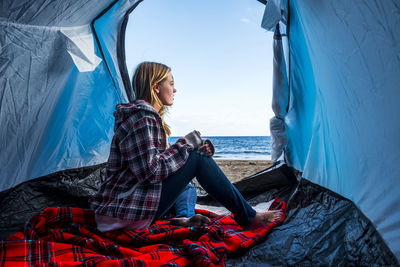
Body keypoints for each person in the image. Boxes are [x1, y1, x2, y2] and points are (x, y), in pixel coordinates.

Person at [89, 61, 282, 231]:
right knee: (197, 159)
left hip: (121, 208)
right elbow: (151, 172)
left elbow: (163, 160)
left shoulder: (144, 117)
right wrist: (188, 146)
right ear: (156, 87)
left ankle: (184, 217)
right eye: (171, 84)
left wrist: (192, 148)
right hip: (123, 212)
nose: (175, 90)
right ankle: (248, 217)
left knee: (188, 188)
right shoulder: (143, 117)